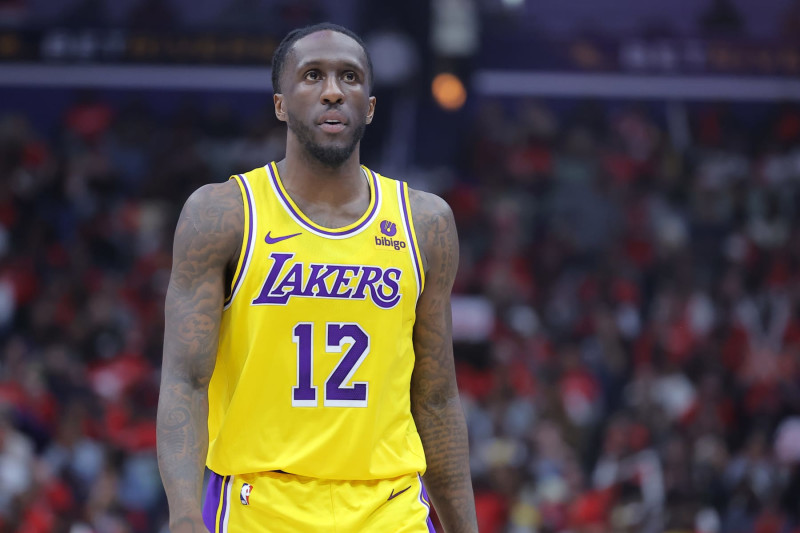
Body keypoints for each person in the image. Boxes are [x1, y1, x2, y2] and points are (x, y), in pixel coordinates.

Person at [156, 22, 478, 533]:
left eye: (349, 77)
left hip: (389, 506)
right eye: (312, 76)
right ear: (281, 103)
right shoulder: (224, 214)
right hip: (259, 503)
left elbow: (436, 395)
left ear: (369, 106)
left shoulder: (424, 222)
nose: (332, 90)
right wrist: (184, 514)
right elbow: (185, 380)